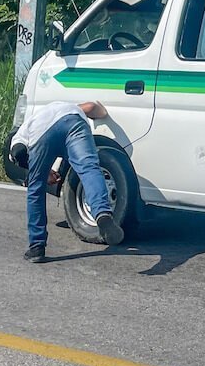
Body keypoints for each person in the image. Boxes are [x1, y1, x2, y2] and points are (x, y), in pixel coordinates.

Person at [9, 99, 124, 263]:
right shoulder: (67, 107)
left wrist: (40, 173)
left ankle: (36, 247)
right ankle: (102, 214)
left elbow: (18, 152)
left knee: (36, 190)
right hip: (73, 122)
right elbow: (93, 107)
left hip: (40, 134)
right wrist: (103, 113)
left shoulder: (20, 134)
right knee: (89, 168)